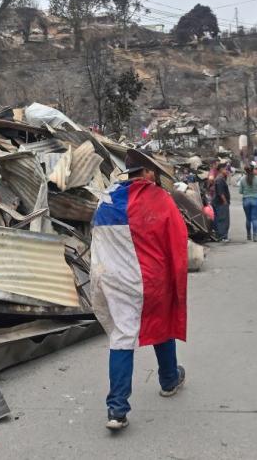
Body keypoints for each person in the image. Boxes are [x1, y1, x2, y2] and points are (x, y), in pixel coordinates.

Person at [90, 149, 188, 431]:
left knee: (122, 337)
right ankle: (169, 380)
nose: (155, 178)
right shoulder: (159, 199)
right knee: (162, 322)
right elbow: (177, 243)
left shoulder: (106, 200)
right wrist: (176, 280)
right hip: (150, 279)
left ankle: (117, 410)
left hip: (113, 280)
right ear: (146, 173)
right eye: (153, 173)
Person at [239, 165, 257, 242]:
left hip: (246, 200)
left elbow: (240, 191)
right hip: (256, 200)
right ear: (253, 170)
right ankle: (255, 236)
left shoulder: (242, 179)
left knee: (248, 219)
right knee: (254, 219)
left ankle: (248, 235)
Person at [213, 166, 231, 242]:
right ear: (221, 170)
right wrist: (225, 202)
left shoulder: (220, 179)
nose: (227, 171)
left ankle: (220, 235)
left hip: (219, 202)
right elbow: (221, 193)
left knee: (220, 219)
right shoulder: (220, 180)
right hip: (221, 203)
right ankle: (223, 236)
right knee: (223, 219)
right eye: (225, 169)